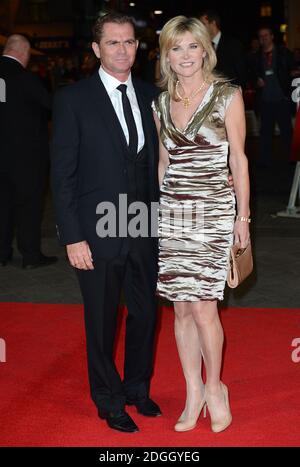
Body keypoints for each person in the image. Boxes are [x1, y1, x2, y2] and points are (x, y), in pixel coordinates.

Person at [51, 13, 161, 433]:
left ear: (138, 47)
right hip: (96, 230)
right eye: (113, 43)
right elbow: (62, 175)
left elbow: (160, 163)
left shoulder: (153, 96)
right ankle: (108, 398)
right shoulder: (73, 99)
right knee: (100, 319)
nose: (122, 50)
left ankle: (136, 387)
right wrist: (72, 236)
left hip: (144, 225)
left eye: (129, 42)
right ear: (96, 49)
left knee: (146, 313)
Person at [152, 16, 250, 433]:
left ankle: (215, 388)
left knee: (205, 307)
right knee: (181, 309)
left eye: (193, 47)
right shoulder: (158, 104)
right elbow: (163, 163)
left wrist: (241, 217)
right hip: (176, 214)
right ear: (167, 56)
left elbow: (239, 160)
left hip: (213, 213)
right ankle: (192, 390)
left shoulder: (227, 95)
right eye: (177, 48)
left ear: (206, 50)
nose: (185, 56)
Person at [0, 34, 57, 269]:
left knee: (2, 205)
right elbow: (51, 106)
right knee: (29, 205)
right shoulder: (25, 78)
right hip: (27, 156)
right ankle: (31, 256)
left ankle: (2, 254)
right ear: (23, 53)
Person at [250, 26, 294, 167]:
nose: (263, 38)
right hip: (265, 100)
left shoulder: (283, 53)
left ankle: (294, 160)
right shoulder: (256, 57)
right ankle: (265, 162)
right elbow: (251, 75)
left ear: (272, 36)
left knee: (287, 131)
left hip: (282, 99)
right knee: (265, 133)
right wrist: (256, 80)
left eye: (266, 35)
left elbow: (292, 70)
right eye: (261, 36)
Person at [199, 9, 247, 88]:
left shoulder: (233, 44)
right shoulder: (203, 46)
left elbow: (241, 73)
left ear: (213, 23)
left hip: (230, 92)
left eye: (203, 24)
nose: (200, 29)